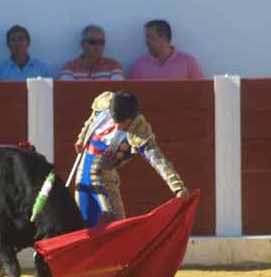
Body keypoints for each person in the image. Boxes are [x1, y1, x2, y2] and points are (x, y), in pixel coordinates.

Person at [73, 91, 188, 228]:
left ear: (130, 119)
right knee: (81, 228)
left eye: (121, 122)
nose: (116, 126)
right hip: (82, 172)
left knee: (118, 229)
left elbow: (158, 160)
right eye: (115, 120)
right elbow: (91, 121)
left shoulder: (139, 131)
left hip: (104, 179)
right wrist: (81, 138)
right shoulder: (105, 106)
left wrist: (177, 187)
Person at [129, 20, 205, 80]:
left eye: (150, 37)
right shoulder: (139, 65)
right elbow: (132, 95)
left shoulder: (188, 62)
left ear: (163, 38)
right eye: (146, 37)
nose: (146, 41)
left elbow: (201, 91)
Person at [59, 25, 124, 80]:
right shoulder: (70, 68)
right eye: (92, 42)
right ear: (82, 44)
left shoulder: (114, 66)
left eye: (101, 42)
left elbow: (117, 92)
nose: (98, 46)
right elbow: (66, 92)